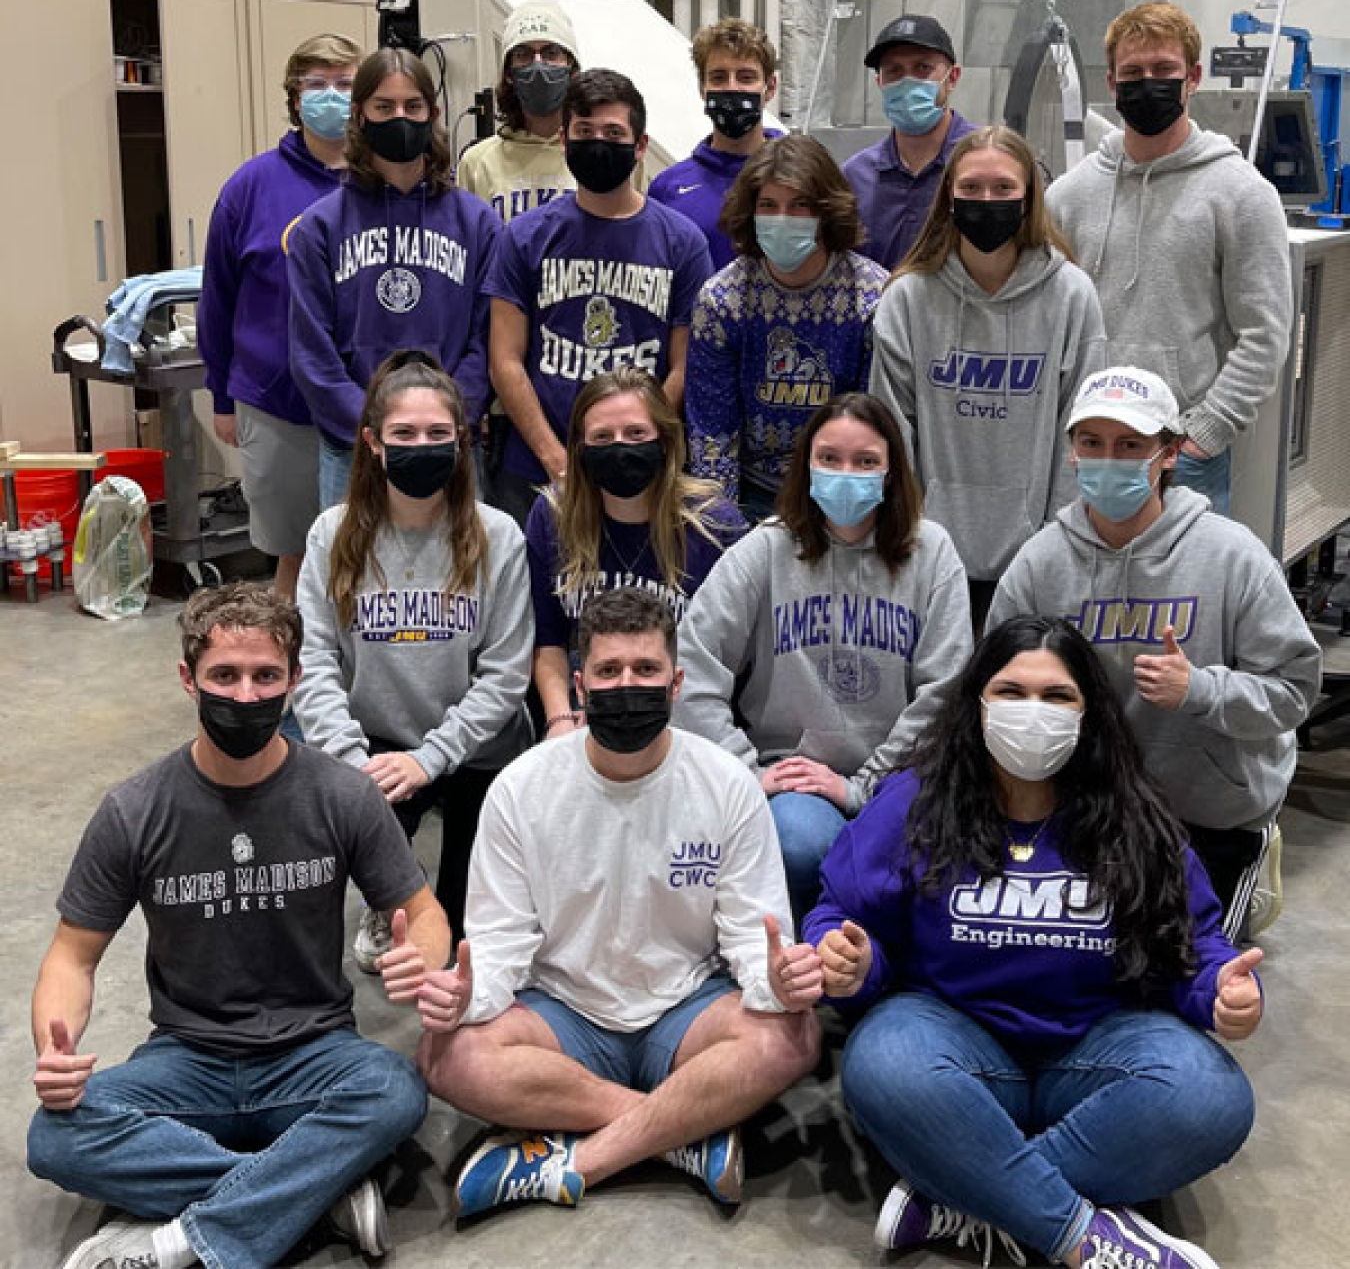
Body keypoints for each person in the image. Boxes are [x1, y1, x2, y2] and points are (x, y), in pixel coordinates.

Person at [807, 614, 1263, 1269]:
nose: (1032, 712)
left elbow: (1191, 947)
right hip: (953, 1043)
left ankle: (961, 1197)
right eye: (1010, 692)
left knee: (1211, 1097)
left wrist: (1223, 992)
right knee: (881, 1062)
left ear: (1089, 713)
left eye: (1057, 697)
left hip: (1092, 1051)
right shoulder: (917, 800)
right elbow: (843, 916)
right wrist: (852, 963)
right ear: (977, 703)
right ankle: (1080, 1236)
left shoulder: (1132, 812)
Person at [27, 583, 449, 1269]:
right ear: (188, 678)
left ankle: (186, 1232)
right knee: (55, 1136)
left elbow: (423, 914)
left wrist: (423, 958)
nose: (246, 696)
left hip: (312, 1054)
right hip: (186, 1059)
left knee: (395, 1091)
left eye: (265, 676)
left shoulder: (343, 795)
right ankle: (315, 1193)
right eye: (225, 675)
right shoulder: (135, 810)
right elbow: (71, 957)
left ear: (294, 681)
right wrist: (56, 1045)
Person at [413, 587, 822, 1217]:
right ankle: (679, 1134)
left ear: (677, 682)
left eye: (645, 670)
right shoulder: (521, 789)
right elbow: (499, 943)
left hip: (685, 1010)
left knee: (791, 1037)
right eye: (609, 671)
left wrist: (779, 980)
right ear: (579, 686)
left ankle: (578, 1161)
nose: (626, 685)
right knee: (446, 1054)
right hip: (564, 1012)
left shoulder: (727, 785)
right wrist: (469, 995)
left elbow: (750, 936)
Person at [988, 368, 1321, 939]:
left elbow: (1293, 693)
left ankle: (1253, 868)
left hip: (1206, 814)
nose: (1107, 460)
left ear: (1167, 454)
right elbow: (990, 686)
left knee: (1174, 969)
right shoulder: (1039, 564)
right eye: (1091, 443)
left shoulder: (1233, 557)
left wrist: (1201, 690)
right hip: (1082, 808)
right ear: (1071, 452)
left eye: (1130, 446)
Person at [675, 393, 972, 924]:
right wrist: (747, 772)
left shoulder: (932, 552)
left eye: (865, 462)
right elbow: (691, 667)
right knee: (800, 841)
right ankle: (802, 970)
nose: (846, 473)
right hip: (795, 781)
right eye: (829, 458)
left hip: (902, 780)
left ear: (891, 470)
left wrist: (863, 786)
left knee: (922, 862)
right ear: (805, 464)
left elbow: (947, 691)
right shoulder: (764, 550)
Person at [294, 354, 532, 970]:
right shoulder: (332, 534)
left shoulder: (497, 535)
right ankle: (388, 888)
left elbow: (507, 673)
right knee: (353, 827)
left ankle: (437, 884)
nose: (420, 447)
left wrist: (432, 757)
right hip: (375, 747)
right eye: (403, 435)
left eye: (437, 435)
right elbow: (312, 662)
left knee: (456, 940)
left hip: (479, 748)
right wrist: (352, 765)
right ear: (373, 443)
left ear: (462, 441)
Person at [1047, 1, 1292, 515]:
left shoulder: (1241, 193)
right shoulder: (1067, 197)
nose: (1147, 83)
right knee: (1081, 590)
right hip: (1088, 446)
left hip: (1180, 450)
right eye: (1133, 72)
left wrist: (1203, 434)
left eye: (1164, 70)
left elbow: (1266, 334)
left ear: (1193, 78)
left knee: (1185, 594)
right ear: (1112, 84)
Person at [869, 125, 1106, 620]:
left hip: (1037, 554)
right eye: (971, 188)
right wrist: (907, 534)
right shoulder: (907, 298)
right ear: (949, 196)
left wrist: (1059, 544)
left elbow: (1083, 431)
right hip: (929, 551)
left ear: (1029, 198)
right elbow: (892, 430)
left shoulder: (1071, 296)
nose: (986, 199)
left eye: (1003, 188)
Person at [485, 68, 714, 527]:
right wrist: (558, 461)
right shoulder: (524, 237)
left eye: (614, 133)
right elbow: (505, 360)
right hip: (537, 467)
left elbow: (686, 364)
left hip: (644, 469)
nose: (598, 144)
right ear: (565, 142)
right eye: (584, 132)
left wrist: (632, 445)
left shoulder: (682, 243)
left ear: (641, 146)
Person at [288, 47, 503, 508]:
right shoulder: (319, 227)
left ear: (433, 114)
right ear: (360, 116)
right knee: (351, 575)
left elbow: (488, 342)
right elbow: (312, 352)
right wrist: (376, 431)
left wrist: (447, 422)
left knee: (462, 573)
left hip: (450, 446)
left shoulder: (478, 223)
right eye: (384, 107)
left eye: (412, 106)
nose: (399, 117)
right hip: (355, 448)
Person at [199, 32, 361, 602]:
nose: (331, 97)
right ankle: (285, 679)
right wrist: (222, 396)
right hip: (276, 403)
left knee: (360, 554)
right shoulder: (251, 186)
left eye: (344, 84)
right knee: (293, 552)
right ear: (294, 98)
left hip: (360, 405)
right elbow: (218, 298)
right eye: (316, 85)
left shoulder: (381, 184)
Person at [527, 366, 746, 739]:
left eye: (635, 434)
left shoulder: (714, 525)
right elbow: (547, 637)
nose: (620, 447)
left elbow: (733, 658)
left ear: (664, 440)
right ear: (580, 448)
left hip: (684, 714)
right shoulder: (553, 515)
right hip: (586, 708)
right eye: (602, 437)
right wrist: (560, 720)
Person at [686, 134, 889, 522]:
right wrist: (723, 526)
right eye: (769, 205)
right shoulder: (722, 300)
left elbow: (873, 424)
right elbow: (712, 432)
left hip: (842, 485)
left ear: (826, 211)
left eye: (800, 206)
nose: (783, 218)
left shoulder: (874, 298)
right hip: (752, 491)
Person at [843, 13, 977, 271]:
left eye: (923, 68)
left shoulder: (985, 163)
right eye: (894, 70)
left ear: (952, 77)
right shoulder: (855, 177)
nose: (907, 81)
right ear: (879, 82)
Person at [647, 17, 782, 270]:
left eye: (745, 77)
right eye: (719, 78)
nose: (732, 88)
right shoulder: (667, 189)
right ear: (702, 87)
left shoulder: (802, 178)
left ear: (770, 87)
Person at [456, 1, 582, 221]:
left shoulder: (597, 155)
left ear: (571, 67)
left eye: (551, 53)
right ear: (508, 74)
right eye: (523, 55)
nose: (538, 65)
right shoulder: (477, 163)